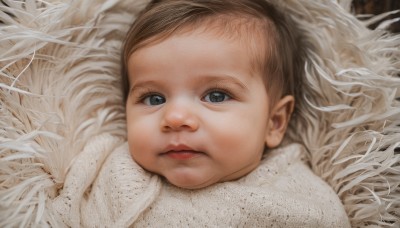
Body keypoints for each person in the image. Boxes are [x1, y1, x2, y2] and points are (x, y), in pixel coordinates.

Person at [54, 0, 351, 226]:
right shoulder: (109, 172)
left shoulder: (301, 200)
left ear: (274, 122)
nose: (175, 118)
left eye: (216, 95)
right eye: (154, 98)